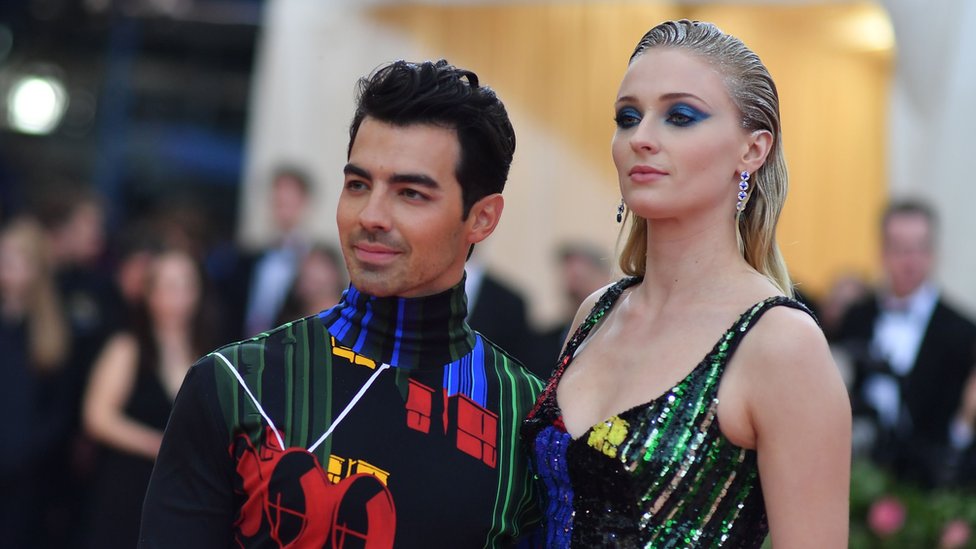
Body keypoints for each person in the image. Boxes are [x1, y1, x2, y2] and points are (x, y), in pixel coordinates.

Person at [140, 59, 544, 548]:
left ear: (481, 219)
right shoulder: (235, 383)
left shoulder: (528, 420)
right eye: (357, 184)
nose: (370, 216)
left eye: (410, 193)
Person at [521, 19, 851, 547]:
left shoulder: (782, 346)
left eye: (680, 116)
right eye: (628, 117)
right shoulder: (596, 313)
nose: (641, 138)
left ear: (752, 150)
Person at [835, 200, 976, 487]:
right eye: (900, 249)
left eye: (919, 248)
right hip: (855, 480)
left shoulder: (963, 331)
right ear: (882, 253)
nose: (910, 260)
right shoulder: (856, 319)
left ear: (933, 253)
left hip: (931, 489)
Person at [82, 248, 216, 548]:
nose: (178, 295)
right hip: (129, 486)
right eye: (168, 285)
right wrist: (155, 444)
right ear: (149, 293)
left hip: (186, 491)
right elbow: (97, 416)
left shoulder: (212, 353)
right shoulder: (127, 347)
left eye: (185, 284)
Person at [0, 217, 70, 549]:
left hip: (24, 476)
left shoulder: (49, 330)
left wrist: (22, 453)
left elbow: (59, 410)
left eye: (13, 258)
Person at [241, 166, 314, 338]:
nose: (283, 211)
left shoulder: (312, 264)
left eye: (290, 202)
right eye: (278, 202)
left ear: (304, 203)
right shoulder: (250, 260)